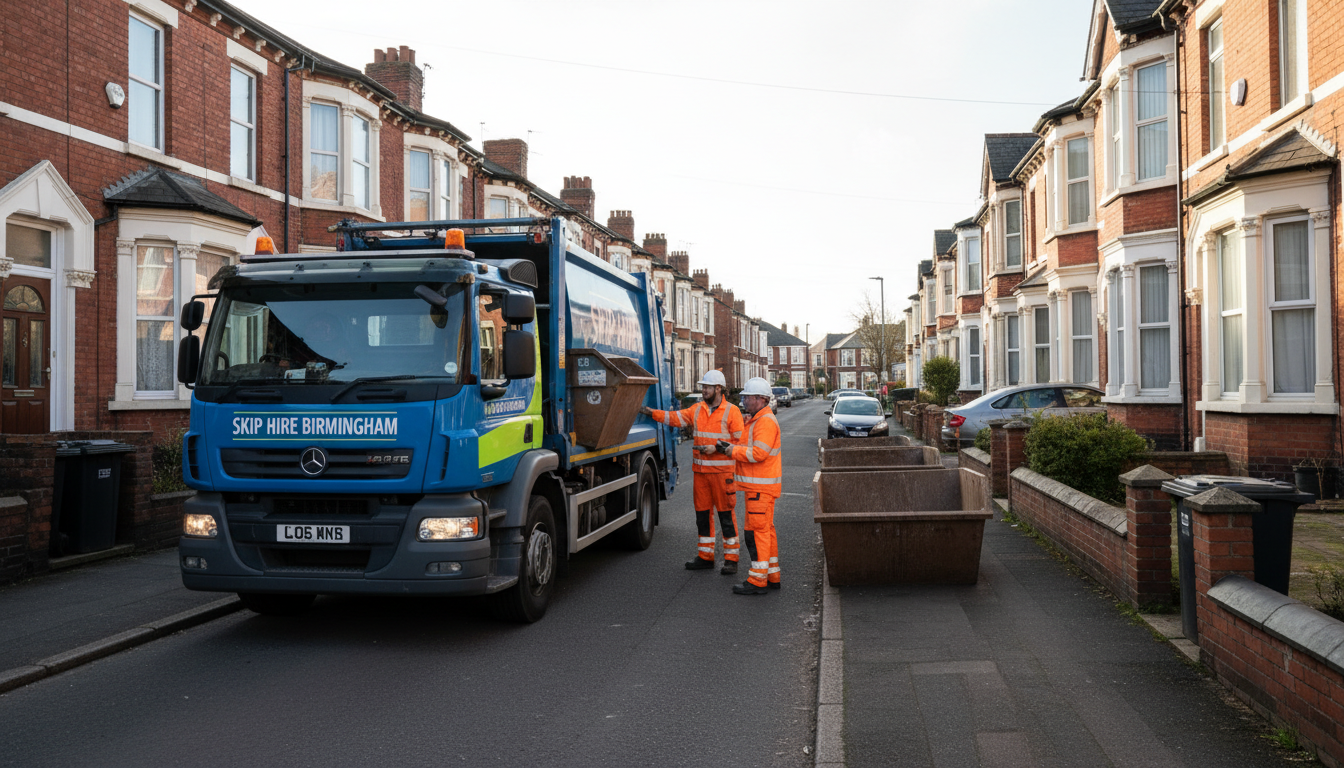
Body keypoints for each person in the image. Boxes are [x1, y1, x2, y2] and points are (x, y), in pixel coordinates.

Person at [640, 370, 744, 574]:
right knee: (702, 516)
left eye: (707, 387)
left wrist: (717, 447)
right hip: (701, 474)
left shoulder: (732, 412)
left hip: (723, 475)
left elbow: (740, 442)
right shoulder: (697, 409)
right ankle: (706, 556)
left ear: (718, 389)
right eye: (703, 386)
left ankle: (731, 559)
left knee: (726, 516)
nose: (703, 390)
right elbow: (675, 418)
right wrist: (651, 412)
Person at [716, 377, 782, 596]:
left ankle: (757, 580)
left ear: (760, 399)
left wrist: (730, 451)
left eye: (747, 396)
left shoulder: (764, 422)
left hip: (759, 490)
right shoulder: (758, 420)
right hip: (759, 489)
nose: (743, 399)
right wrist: (732, 445)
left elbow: (758, 454)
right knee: (766, 532)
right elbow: (747, 445)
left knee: (756, 534)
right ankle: (771, 576)